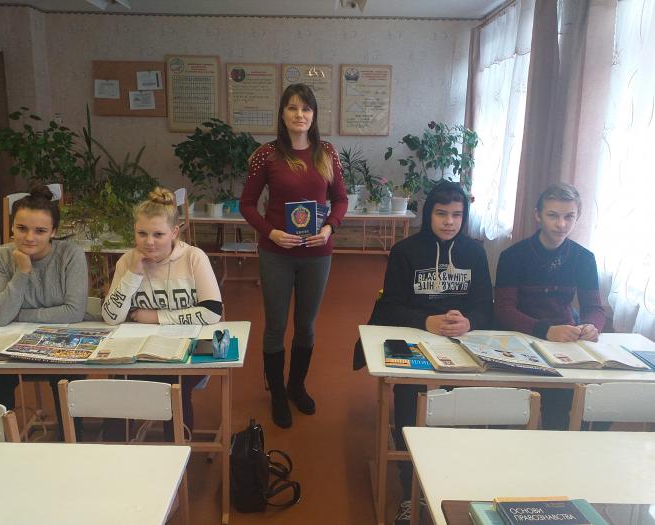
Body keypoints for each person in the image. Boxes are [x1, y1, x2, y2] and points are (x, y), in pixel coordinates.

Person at [367, 180, 493, 525]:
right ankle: (410, 488)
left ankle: (448, 482)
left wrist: (469, 321)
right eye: (441, 214)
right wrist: (426, 321)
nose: (449, 222)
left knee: (458, 412)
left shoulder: (475, 252)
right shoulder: (405, 251)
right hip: (414, 338)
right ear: (429, 214)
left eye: (457, 215)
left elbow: (486, 307)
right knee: (410, 408)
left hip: (460, 343)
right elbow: (389, 307)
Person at [239, 83, 347, 429]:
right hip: (277, 253)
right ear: (283, 114)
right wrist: (270, 232)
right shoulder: (267, 155)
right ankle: (276, 394)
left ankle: (296, 386)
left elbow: (341, 199)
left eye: (306, 108)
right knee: (275, 326)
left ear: (313, 115)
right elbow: (246, 204)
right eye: (292, 108)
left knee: (306, 326)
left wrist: (329, 228)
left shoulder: (326, 152)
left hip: (317, 252)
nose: (300, 114)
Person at [102, 187, 223, 435]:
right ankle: (117, 451)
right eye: (142, 233)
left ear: (174, 232)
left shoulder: (194, 257)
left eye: (158, 234)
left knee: (173, 386)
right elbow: (111, 317)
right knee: (118, 387)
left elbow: (212, 312)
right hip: (138, 350)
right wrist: (133, 274)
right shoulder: (127, 261)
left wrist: (155, 317)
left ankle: (177, 449)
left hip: (187, 348)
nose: (149, 242)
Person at [495, 182, 605, 429]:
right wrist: (545, 330)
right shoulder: (513, 256)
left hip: (565, 342)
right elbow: (504, 310)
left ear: (578, 217)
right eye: (553, 215)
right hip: (520, 337)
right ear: (538, 215)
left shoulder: (584, 258)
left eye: (569, 217)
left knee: (575, 409)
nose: (561, 224)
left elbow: (595, 308)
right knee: (511, 414)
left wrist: (591, 326)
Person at [0, 184, 89, 439]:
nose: (29, 237)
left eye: (40, 231)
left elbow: (74, 312)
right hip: (15, 342)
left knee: (66, 375)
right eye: (22, 228)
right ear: (12, 227)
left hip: (62, 341)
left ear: (53, 232)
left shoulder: (70, 255)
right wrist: (22, 272)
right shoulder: (2, 258)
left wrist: (18, 314)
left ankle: (72, 440)